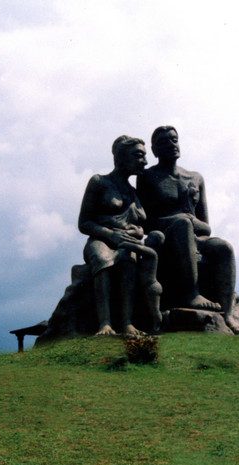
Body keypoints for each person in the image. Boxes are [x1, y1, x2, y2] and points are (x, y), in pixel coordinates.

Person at [136, 126, 239, 333]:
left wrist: (189, 218)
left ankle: (228, 314)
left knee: (224, 247)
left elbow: (206, 227)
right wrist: (179, 219)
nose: (171, 145)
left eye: (174, 140)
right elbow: (146, 224)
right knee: (182, 223)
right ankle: (191, 294)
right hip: (167, 239)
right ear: (155, 151)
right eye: (163, 142)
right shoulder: (148, 177)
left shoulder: (195, 178)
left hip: (195, 237)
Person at [78, 135, 163, 336]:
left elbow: (140, 226)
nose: (144, 161)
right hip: (100, 240)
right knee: (102, 259)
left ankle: (127, 323)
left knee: (128, 262)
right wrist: (110, 235)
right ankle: (105, 323)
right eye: (139, 155)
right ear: (121, 157)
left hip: (127, 245)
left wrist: (138, 232)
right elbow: (84, 223)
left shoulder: (134, 192)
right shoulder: (99, 182)